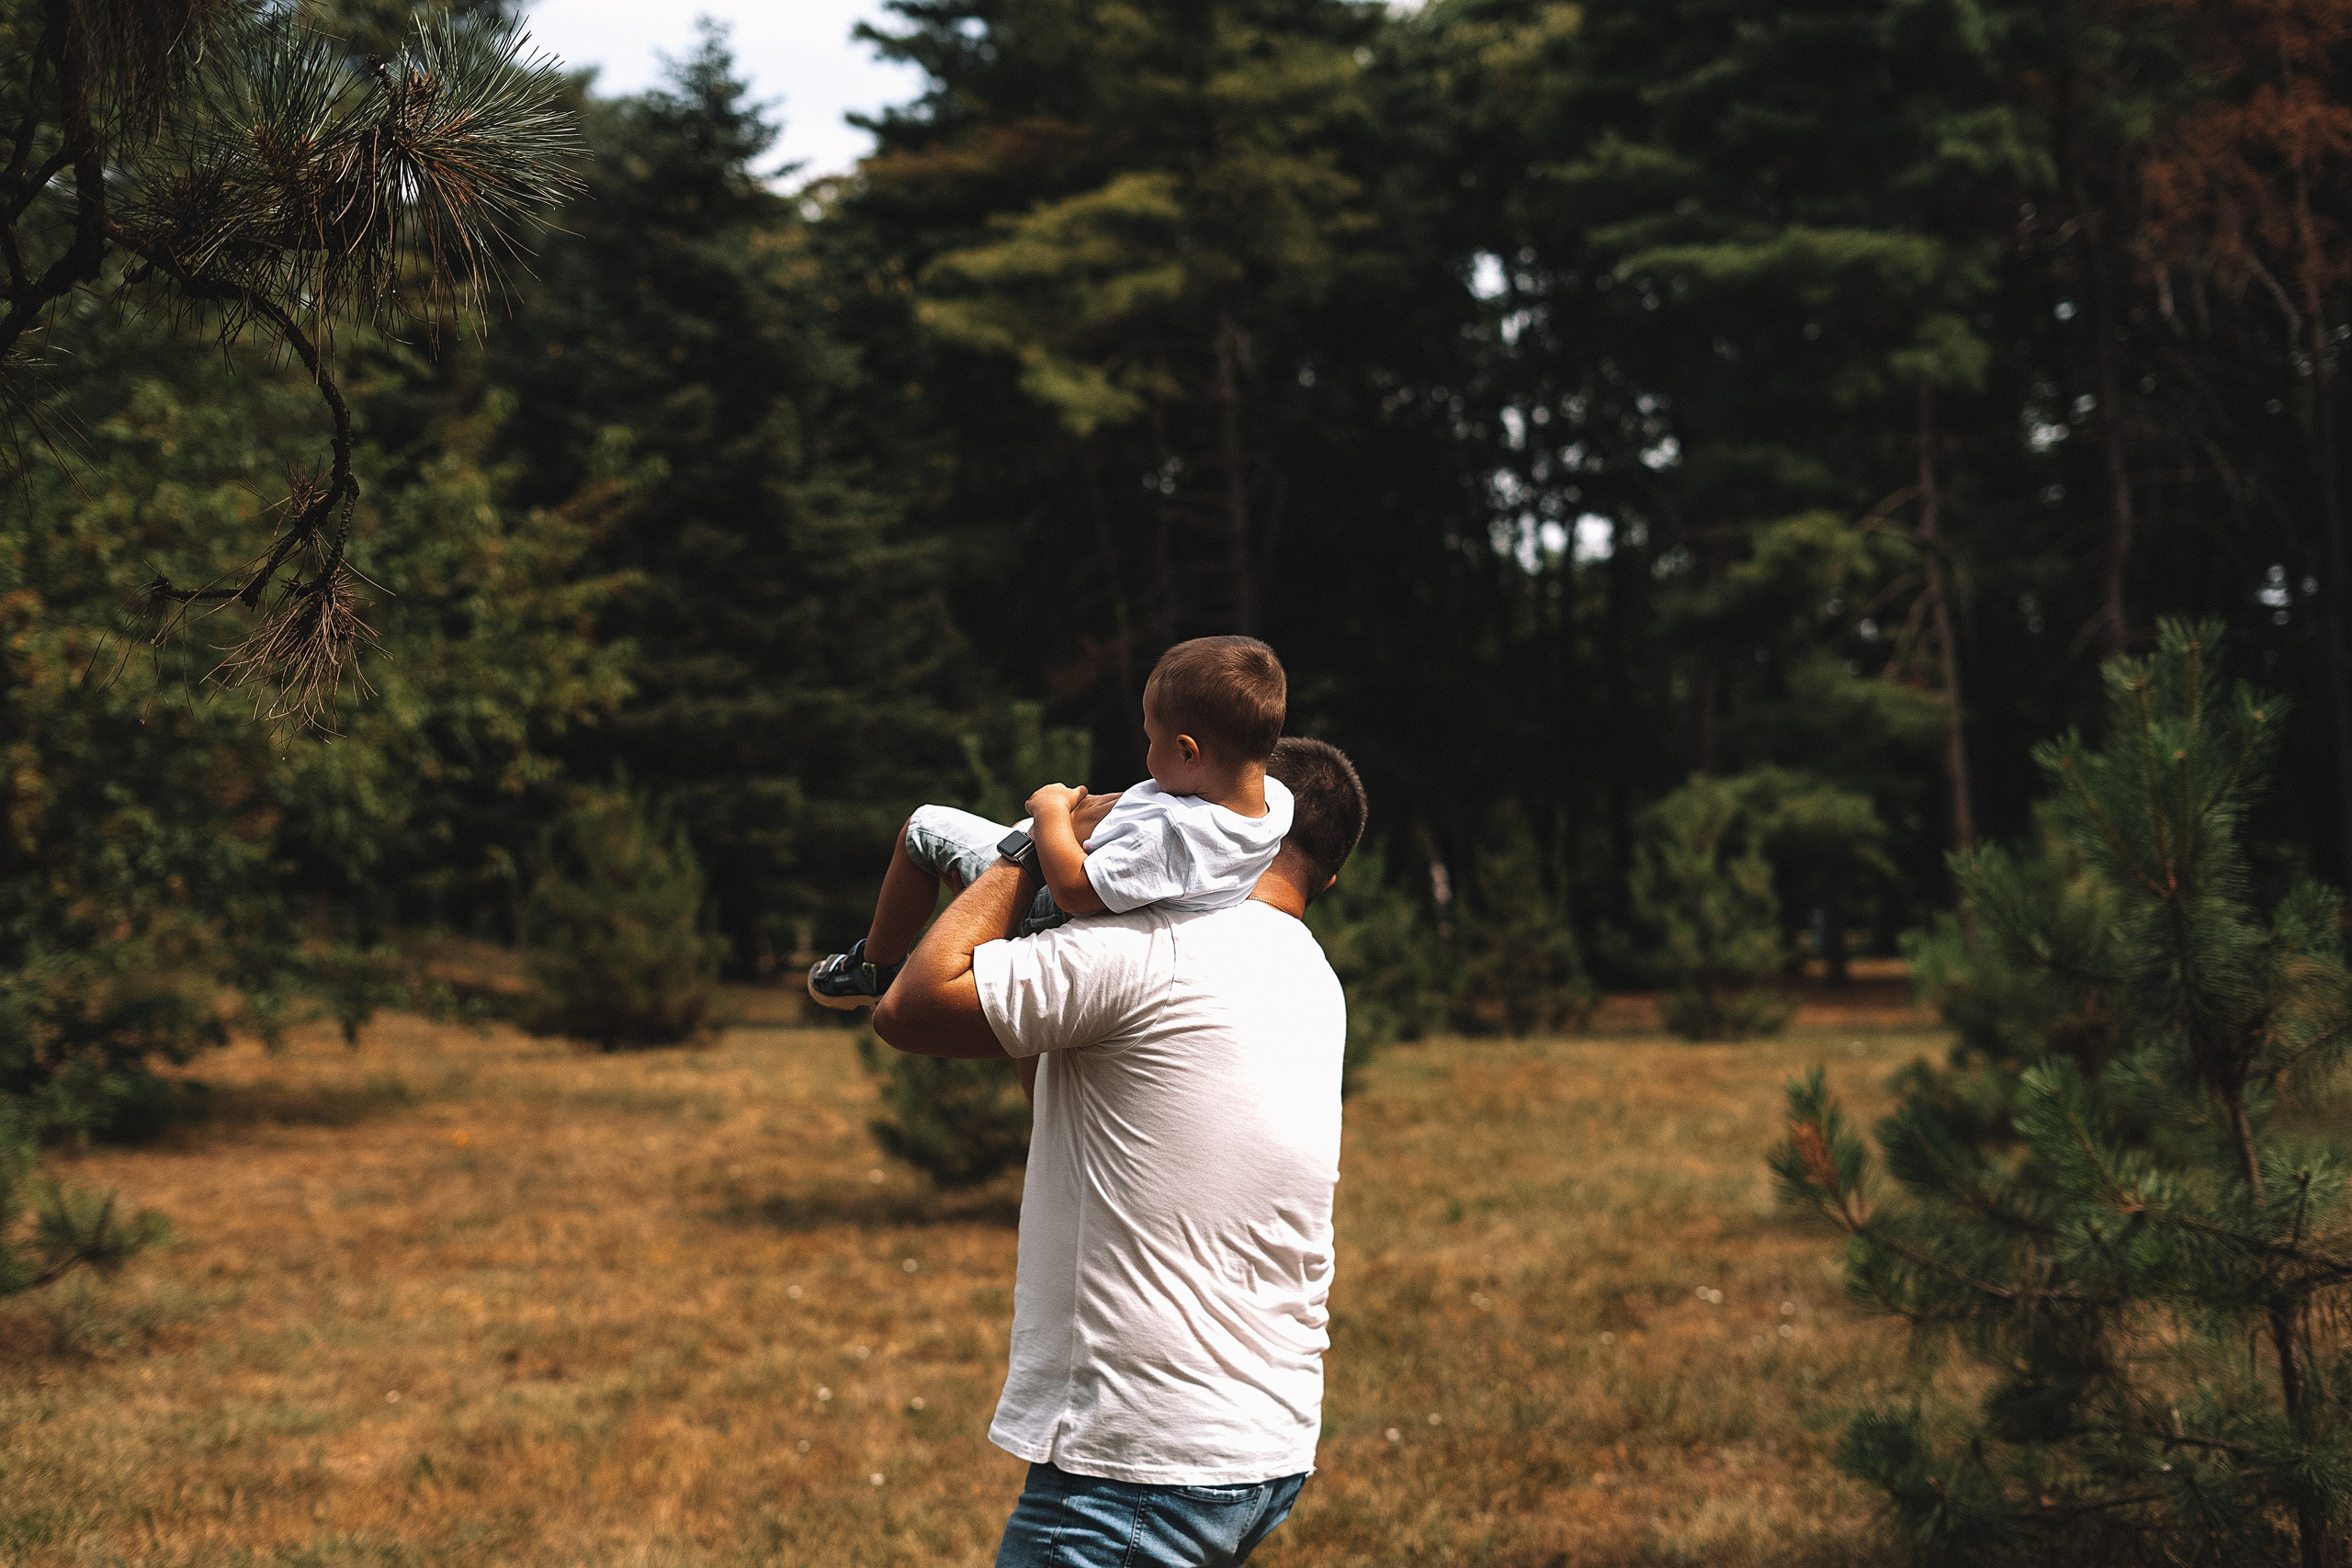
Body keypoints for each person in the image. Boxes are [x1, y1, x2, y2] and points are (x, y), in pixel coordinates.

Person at [873, 737, 1369, 1568]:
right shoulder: (1311, 976)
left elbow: (909, 1009)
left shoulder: (1154, 946)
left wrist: (1032, 845)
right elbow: (1072, 1102)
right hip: (1263, 1448)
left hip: (1136, 1467)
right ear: (1329, 877)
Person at [807, 637, 1291, 1010]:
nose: (1146, 755)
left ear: (1189, 751)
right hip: (1111, 892)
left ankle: (874, 968)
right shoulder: (1271, 802)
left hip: (1051, 906)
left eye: (1151, 738)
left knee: (923, 829)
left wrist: (1049, 813)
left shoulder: (1174, 838)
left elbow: (1075, 891)